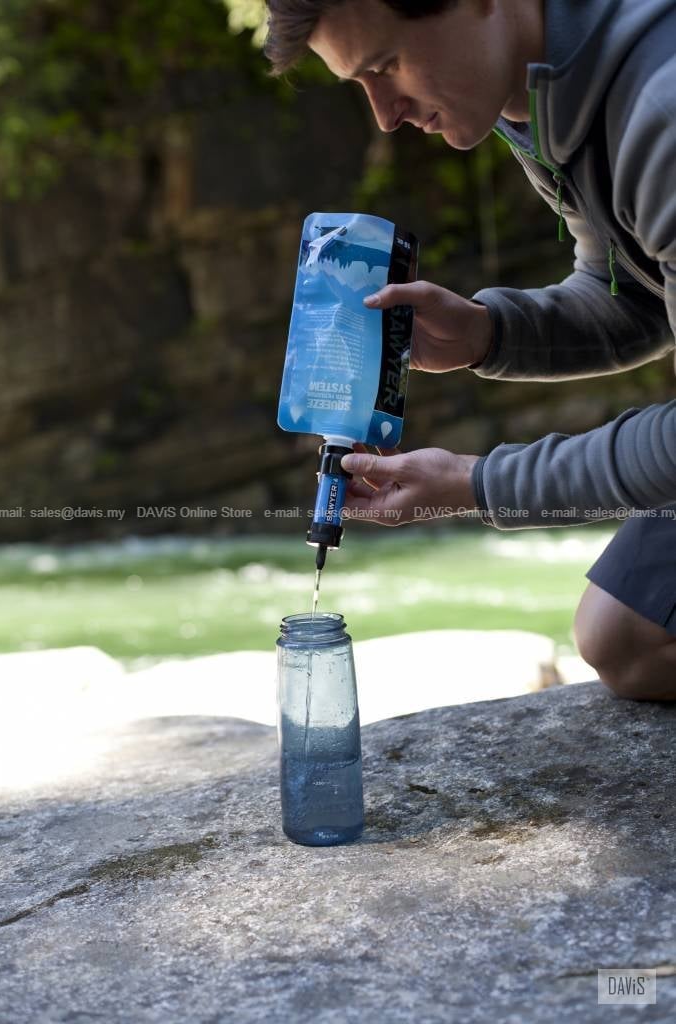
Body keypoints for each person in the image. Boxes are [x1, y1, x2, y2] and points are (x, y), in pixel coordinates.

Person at [263, 0, 676, 700]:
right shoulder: (537, 98)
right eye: (360, 83)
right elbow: (636, 293)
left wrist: (476, 484)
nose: (385, 115)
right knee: (626, 637)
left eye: (387, 65)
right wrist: (490, 333)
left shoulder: (660, 111)